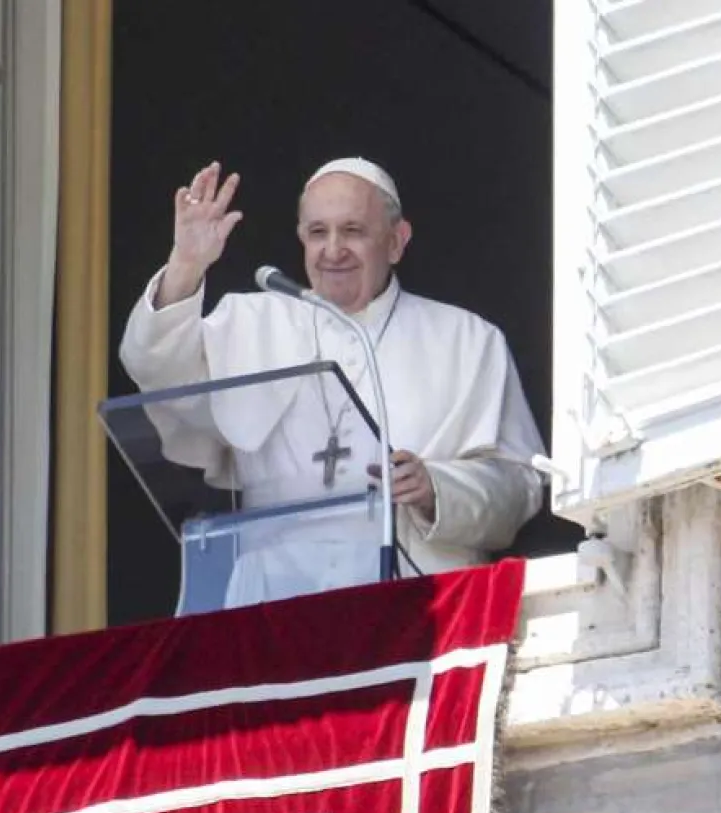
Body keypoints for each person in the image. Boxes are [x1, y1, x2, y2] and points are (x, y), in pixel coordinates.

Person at [119, 157, 544, 606]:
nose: (333, 249)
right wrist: (186, 265)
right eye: (318, 232)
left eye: (354, 231)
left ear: (397, 242)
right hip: (270, 601)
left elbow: (519, 485)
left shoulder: (467, 339)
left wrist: (437, 489)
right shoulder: (250, 321)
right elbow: (152, 365)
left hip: (414, 600)